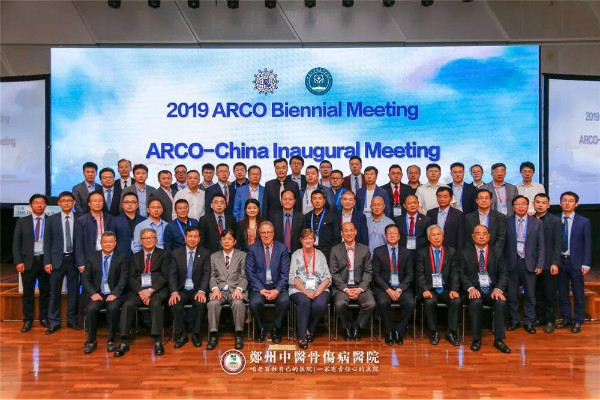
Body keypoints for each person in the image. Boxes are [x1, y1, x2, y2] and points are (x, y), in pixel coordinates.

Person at [114, 228, 172, 357]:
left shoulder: (164, 254)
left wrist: (150, 290)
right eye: (145, 238)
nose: (148, 240)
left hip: (157, 290)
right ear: (141, 241)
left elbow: (164, 276)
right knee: (128, 305)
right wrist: (141, 291)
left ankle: (158, 340)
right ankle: (124, 341)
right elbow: (130, 277)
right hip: (138, 291)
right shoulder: (134, 257)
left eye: (151, 237)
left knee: (156, 304)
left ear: (156, 239)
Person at [459, 225, 511, 353]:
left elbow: (503, 273)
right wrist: (470, 288)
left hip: (492, 289)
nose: (481, 236)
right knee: (475, 302)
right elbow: (461, 274)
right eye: (478, 234)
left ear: (489, 236)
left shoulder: (497, 252)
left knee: (500, 302)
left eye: (484, 234)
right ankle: (476, 339)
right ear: (473, 236)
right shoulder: (465, 253)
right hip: (474, 289)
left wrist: (498, 289)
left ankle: (499, 339)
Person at [81, 231, 128, 354]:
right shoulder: (92, 257)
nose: (108, 244)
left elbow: (123, 279)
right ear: (100, 243)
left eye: (111, 242)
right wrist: (92, 293)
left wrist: (115, 294)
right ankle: (91, 341)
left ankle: (111, 340)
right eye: (105, 242)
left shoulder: (122, 257)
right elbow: (85, 279)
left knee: (112, 308)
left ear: (115, 243)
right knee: (91, 308)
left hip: (115, 293)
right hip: (98, 293)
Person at [505, 195, 545, 334]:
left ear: (528, 206)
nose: (520, 207)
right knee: (512, 295)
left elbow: (541, 246)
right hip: (512, 263)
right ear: (513, 206)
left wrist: (540, 264)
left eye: (523, 204)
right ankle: (515, 320)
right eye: (517, 204)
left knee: (530, 295)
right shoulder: (507, 222)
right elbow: (503, 245)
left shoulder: (537, 223)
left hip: (530, 264)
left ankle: (529, 322)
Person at [415, 225, 461, 346]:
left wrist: (454, 289)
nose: (436, 238)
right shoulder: (422, 252)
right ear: (428, 238)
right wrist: (424, 289)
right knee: (429, 301)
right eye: (433, 235)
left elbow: (455, 273)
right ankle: (434, 332)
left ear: (443, 237)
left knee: (456, 300)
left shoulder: (451, 252)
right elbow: (419, 274)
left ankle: (451, 332)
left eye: (439, 235)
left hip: (446, 288)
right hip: (429, 288)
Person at [329, 222, 375, 341]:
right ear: (341, 233)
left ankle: (356, 326)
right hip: (342, 287)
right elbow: (334, 273)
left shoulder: (364, 249)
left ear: (355, 232)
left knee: (370, 304)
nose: (348, 233)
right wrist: (345, 289)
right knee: (340, 304)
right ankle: (346, 327)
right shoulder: (335, 250)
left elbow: (368, 272)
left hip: (360, 286)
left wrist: (360, 289)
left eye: (351, 230)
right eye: (346, 231)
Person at [245, 221, 290, 343]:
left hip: (277, 286)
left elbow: (285, 273)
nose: (266, 235)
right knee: (255, 302)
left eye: (268, 232)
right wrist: (261, 289)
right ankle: (261, 328)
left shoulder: (282, 249)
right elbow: (250, 272)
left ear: (273, 233)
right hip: (259, 286)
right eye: (263, 232)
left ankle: (276, 328)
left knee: (285, 301)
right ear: (259, 234)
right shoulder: (252, 249)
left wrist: (277, 290)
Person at [43, 191, 81, 334]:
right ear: (58, 203)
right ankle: (54, 321)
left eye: (69, 200)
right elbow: (47, 242)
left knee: (73, 292)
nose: (66, 203)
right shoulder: (51, 219)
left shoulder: (80, 218)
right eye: (63, 200)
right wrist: (47, 261)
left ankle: (72, 320)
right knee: (54, 293)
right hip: (56, 261)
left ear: (74, 202)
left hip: (74, 260)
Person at [371, 224, 415, 346]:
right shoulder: (378, 251)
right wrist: (388, 289)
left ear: (399, 236)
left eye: (394, 233)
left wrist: (400, 289)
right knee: (383, 302)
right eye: (389, 233)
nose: (391, 235)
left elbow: (410, 274)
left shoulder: (406, 252)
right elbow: (376, 274)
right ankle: (389, 331)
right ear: (385, 236)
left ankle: (398, 330)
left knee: (410, 303)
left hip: (401, 287)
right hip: (384, 287)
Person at [12, 194, 50, 332]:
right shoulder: (22, 221)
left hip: (45, 261)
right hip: (28, 261)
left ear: (45, 205)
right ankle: (28, 320)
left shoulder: (51, 220)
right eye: (36, 202)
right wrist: (18, 261)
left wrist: (50, 261)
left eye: (42, 202)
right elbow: (16, 243)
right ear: (30, 205)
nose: (39, 205)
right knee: (28, 293)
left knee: (45, 292)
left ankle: (44, 318)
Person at [168, 226, 211, 348]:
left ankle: (196, 334)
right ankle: (182, 335)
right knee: (175, 303)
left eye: (195, 236)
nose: (192, 239)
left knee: (200, 303)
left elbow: (206, 274)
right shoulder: (176, 253)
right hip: (181, 290)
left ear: (199, 239)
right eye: (190, 236)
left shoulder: (205, 253)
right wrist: (174, 292)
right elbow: (172, 275)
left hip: (197, 289)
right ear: (185, 238)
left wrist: (202, 291)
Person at [289, 229, 332, 349]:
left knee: (320, 303)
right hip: (299, 289)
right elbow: (293, 277)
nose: (308, 241)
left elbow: (327, 277)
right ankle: (303, 337)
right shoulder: (296, 255)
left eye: (310, 238)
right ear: (301, 240)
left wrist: (317, 292)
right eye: (305, 238)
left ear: (314, 240)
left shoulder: (320, 255)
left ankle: (310, 329)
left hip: (319, 288)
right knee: (304, 301)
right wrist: (306, 292)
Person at [207, 229, 248, 350]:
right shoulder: (214, 256)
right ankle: (213, 335)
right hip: (219, 290)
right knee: (213, 303)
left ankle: (239, 334)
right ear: (220, 241)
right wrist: (215, 289)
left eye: (229, 239)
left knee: (238, 303)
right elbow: (212, 276)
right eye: (224, 239)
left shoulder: (242, 255)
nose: (226, 241)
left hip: (236, 289)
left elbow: (244, 276)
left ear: (234, 241)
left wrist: (239, 289)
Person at [556, 191, 591, 333]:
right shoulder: (555, 219)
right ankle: (566, 318)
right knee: (562, 292)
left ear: (576, 204)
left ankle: (578, 320)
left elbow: (587, 243)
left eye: (571, 201)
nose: (567, 203)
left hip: (576, 262)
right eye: (564, 200)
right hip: (560, 261)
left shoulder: (584, 221)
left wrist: (586, 263)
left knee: (578, 292)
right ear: (560, 203)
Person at [533, 193, 562, 333]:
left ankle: (550, 320)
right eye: (538, 202)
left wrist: (555, 262)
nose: (540, 205)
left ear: (548, 205)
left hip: (549, 263)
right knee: (537, 293)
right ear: (533, 204)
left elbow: (558, 244)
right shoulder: (530, 219)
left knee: (549, 294)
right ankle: (540, 318)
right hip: (533, 264)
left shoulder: (555, 221)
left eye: (543, 202)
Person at [75, 192, 114, 272]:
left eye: (100, 201)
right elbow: (78, 244)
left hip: (107, 256)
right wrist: (81, 263)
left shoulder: (110, 219)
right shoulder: (81, 221)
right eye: (95, 201)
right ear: (89, 204)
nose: (98, 203)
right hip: (89, 258)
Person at [465, 189, 507, 256]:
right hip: (474, 255)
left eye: (486, 198)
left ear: (491, 200)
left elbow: (501, 238)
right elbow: (467, 238)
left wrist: (493, 254)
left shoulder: (500, 217)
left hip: (495, 255)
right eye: (481, 198)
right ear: (476, 201)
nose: (484, 200)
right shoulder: (468, 218)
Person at [303, 190, 340, 261]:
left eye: (320, 198)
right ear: (311, 201)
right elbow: (304, 235)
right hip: (310, 251)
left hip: (327, 252)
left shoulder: (332, 216)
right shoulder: (307, 216)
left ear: (324, 201)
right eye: (314, 198)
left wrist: (333, 253)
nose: (317, 201)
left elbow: (336, 236)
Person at [426, 187, 465, 251]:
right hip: (433, 250)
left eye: (445, 197)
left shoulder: (458, 214)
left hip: (452, 250)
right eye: (439, 196)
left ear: (451, 198)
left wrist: (459, 253)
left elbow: (460, 236)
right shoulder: (430, 213)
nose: (442, 199)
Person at [270, 189, 304, 254]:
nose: (287, 201)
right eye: (285, 199)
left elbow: (303, 237)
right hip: (278, 253)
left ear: (294, 201)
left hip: (296, 253)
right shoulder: (274, 217)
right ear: (281, 201)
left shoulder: (301, 217)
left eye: (290, 199)